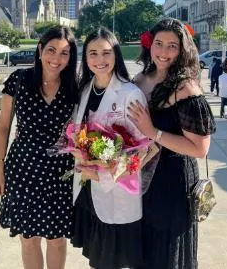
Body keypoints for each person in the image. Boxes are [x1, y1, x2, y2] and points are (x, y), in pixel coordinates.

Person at [128, 18, 216, 269]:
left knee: (166, 254)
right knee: (143, 250)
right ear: (149, 45)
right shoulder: (140, 79)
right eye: (158, 43)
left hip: (172, 182)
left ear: (182, 49)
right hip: (141, 175)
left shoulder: (186, 88)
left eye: (172, 46)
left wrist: (152, 132)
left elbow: (200, 149)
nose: (163, 52)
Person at [0, 26, 78, 269]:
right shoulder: (19, 80)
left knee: (57, 239)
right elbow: (3, 127)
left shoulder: (75, 87)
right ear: (40, 50)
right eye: (51, 50)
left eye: (64, 53)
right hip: (23, 169)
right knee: (28, 239)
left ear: (71, 58)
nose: (56, 58)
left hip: (59, 172)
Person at [71, 26, 149, 269]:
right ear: (85, 58)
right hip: (87, 190)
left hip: (117, 193)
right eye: (92, 53)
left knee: (111, 262)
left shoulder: (129, 93)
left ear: (116, 54)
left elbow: (143, 149)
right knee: (97, 260)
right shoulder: (85, 89)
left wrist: (103, 173)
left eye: (106, 52)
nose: (99, 59)